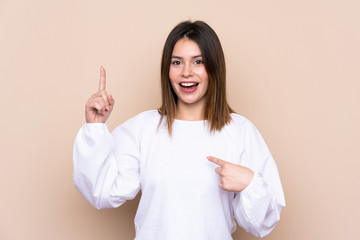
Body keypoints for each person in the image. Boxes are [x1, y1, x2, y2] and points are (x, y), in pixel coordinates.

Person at [73, 20, 285, 239]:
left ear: (214, 68)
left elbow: (262, 223)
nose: (186, 72)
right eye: (177, 62)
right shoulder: (142, 129)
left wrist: (249, 183)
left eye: (198, 62)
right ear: (167, 70)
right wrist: (95, 128)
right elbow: (101, 192)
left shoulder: (240, 132)